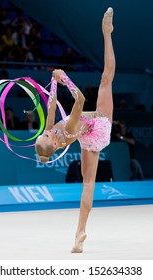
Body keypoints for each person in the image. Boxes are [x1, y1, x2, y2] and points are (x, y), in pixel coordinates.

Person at [35, 7, 115, 253]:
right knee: (106, 78)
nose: (47, 131)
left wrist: (53, 83)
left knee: (88, 184)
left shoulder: (54, 136)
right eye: (46, 134)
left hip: (89, 140)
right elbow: (79, 100)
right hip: (100, 125)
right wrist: (66, 79)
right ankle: (107, 33)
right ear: (55, 144)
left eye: (45, 132)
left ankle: (80, 233)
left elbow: (50, 107)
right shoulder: (67, 129)